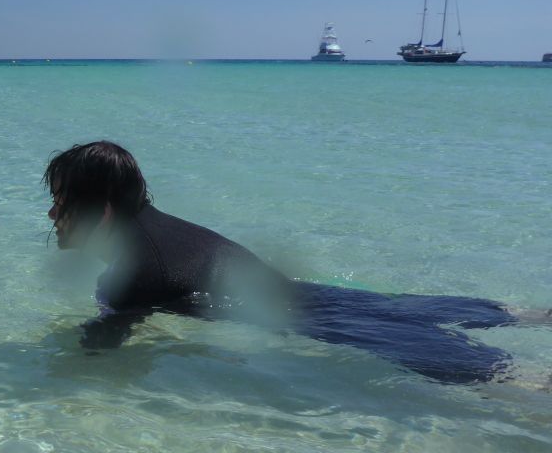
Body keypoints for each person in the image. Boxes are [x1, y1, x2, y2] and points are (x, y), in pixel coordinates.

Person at [43, 140, 544, 384]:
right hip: (318, 297)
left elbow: (99, 355)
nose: (52, 213)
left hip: (316, 320)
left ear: (101, 211)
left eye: (61, 201)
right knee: (439, 312)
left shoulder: (131, 271)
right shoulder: (160, 226)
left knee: (498, 377)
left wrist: (52, 371)